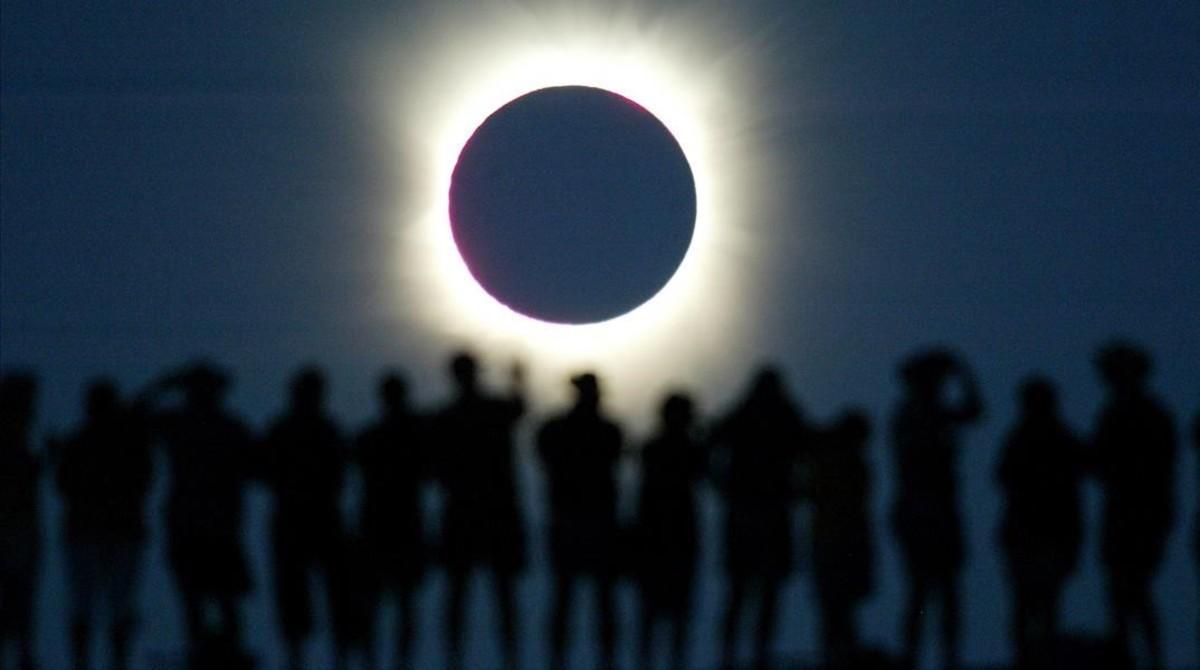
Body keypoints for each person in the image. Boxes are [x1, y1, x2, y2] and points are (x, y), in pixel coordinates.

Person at [146, 362, 255, 668]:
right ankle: (205, 652)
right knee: (198, 597)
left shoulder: (229, 427)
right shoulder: (188, 424)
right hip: (192, 526)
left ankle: (225, 653)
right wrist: (165, 383)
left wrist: (166, 384)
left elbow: (257, 467)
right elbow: (131, 417)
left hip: (215, 527)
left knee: (219, 598)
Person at [430, 352, 526, 670]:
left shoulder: (447, 418)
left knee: (476, 595)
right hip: (486, 516)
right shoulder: (489, 411)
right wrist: (517, 381)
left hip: (472, 516)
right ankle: (498, 659)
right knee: (489, 595)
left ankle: (461, 659)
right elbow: (519, 409)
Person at [711, 366, 808, 670]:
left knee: (755, 591)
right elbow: (711, 446)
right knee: (749, 590)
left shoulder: (755, 414)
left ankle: (750, 655)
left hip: (761, 511)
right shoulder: (763, 414)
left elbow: (809, 450)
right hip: (755, 511)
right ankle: (742, 655)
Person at [890, 349, 982, 670]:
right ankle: (918, 655)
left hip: (934, 509)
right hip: (922, 509)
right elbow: (973, 412)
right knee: (925, 590)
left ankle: (942, 656)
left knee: (942, 590)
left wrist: (963, 372)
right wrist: (962, 372)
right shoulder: (914, 415)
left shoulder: (925, 413)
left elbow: (975, 412)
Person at [55, 379, 155, 670]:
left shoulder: (78, 442)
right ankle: (110, 661)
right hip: (113, 532)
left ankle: (91, 661)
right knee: (113, 605)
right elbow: (145, 481)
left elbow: (63, 484)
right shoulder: (128, 443)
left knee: (92, 604)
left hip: (95, 532)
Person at [1091, 342, 1176, 669]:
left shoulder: (1139, 414)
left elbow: (1102, 463)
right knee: (1125, 593)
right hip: (1132, 515)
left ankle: (1140, 659)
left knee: (1131, 591)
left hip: (1137, 516)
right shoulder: (1132, 412)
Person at [259, 367, 348, 670]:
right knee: (294, 597)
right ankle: (299, 658)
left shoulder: (322, 429)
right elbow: (265, 473)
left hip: (315, 521)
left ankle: (327, 657)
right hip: (297, 522)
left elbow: (338, 476)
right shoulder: (290, 430)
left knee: (330, 596)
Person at [537, 372, 624, 670]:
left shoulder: (556, 429)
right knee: (583, 600)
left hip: (580, 522)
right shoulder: (608, 430)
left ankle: (568, 659)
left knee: (578, 599)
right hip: (584, 522)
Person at [996, 377, 1085, 668]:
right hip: (1033, 534)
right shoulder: (1045, 438)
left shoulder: (1044, 438)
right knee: (1035, 604)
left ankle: (1034, 659)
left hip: (1043, 534)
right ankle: (1031, 659)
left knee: (1038, 604)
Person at [352, 371, 428, 669]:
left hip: (390, 528)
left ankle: (390, 661)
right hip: (386, 528)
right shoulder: (377, 437)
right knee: (387, 604)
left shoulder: (372, 437)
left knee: (393, 604)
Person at [631, 392, 705, 670]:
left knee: (673, 614)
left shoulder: (661, 447)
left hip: (674, 539)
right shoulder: (658, 448)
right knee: (655, 614)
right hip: (660, 539)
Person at [808, 409, 874, 669]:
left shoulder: (841, 462)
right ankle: (836, 655)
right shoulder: (833, 461)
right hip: (834, 541)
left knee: (840, 606)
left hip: (841, 541)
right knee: (836, 606)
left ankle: (840, 654)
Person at [0, 373, 40, 670]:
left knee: (19, 597)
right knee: (19, 596)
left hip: (21, 526)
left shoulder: (19, 432)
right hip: (16, 526)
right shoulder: (13, 433)